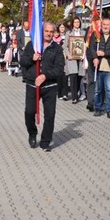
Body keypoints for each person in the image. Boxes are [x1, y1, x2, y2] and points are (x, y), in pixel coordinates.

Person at [20, 21, 65, 151]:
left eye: (51, 31)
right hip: (32, 84)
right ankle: (32, 133)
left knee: (50, 114)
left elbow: (59, 69)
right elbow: (23, 61)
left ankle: (45, 141)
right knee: (29, 112)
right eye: (46, 31)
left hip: (49, 85)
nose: (49, 34)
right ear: (42, 31)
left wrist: (45, 75)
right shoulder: (32, 45)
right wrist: (32, 58)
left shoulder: (57, 48)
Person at [87, 18, 110, 118]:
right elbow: (92, 47)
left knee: (109, 90)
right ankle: (98, 108)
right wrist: (95, 58)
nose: (105, 26)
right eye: (104, 24)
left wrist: (104, 53)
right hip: (98, 68)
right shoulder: (97, 35)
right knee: (97, 90)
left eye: (107, 24)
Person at [64, 17, 86, 104]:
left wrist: (84, 54)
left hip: (80, 59)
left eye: (78, 22)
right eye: (75, 22)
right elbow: (65, 46)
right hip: (71, 58)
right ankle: (74, 97)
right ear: (72, 23)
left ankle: (77, 93)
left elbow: (86, 44)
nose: (77, 24)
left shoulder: (83, 33)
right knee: (73, 76)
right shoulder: (68, 33)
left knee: (79, 77)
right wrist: (68, 54)